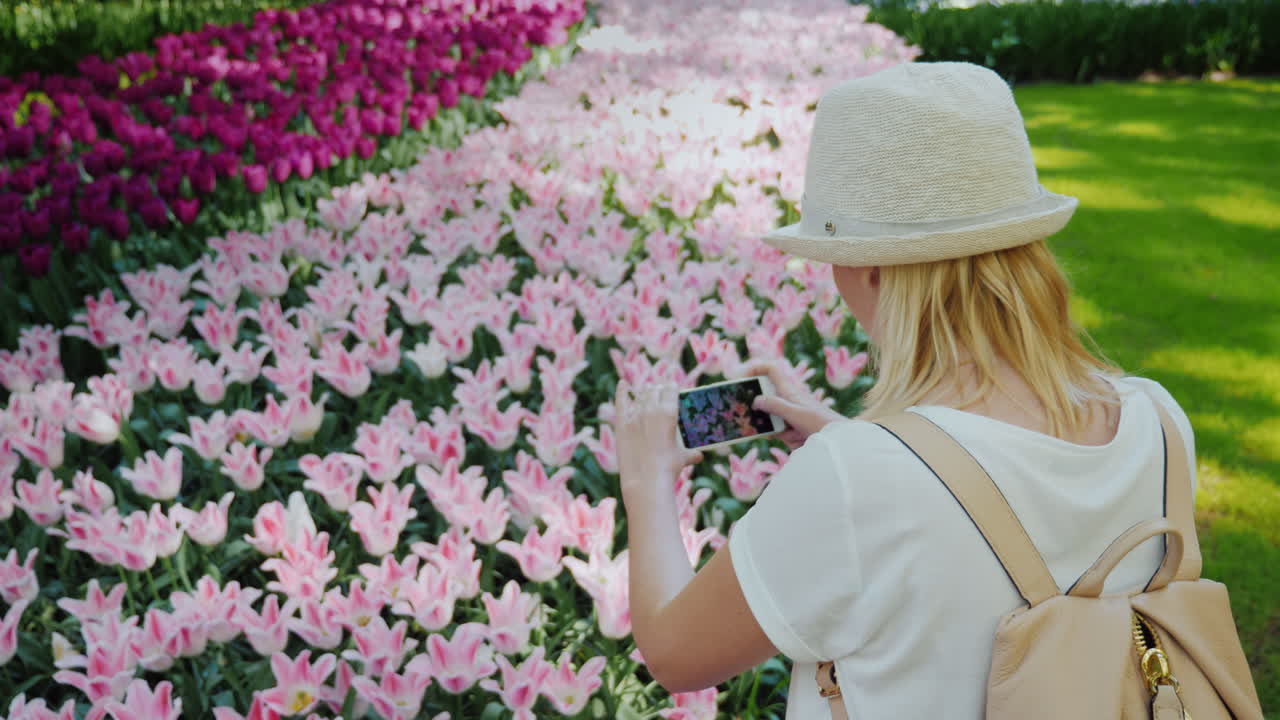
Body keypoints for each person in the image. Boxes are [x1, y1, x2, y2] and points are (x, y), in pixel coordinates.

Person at [611, 61, 1198, 719]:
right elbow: (1004, 508)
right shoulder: (1159, 421)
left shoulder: (857, 481)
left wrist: (647, 478)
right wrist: (864, 442)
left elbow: (673, 653)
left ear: (869, 270)